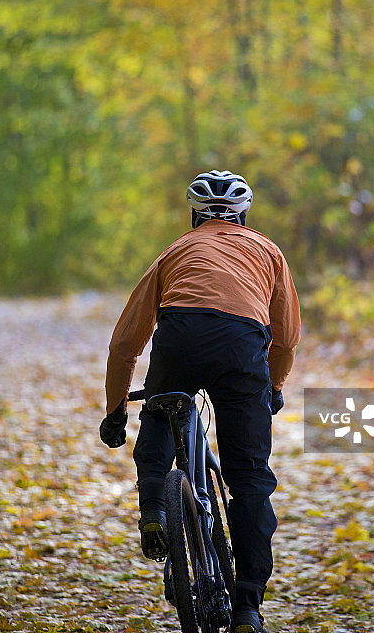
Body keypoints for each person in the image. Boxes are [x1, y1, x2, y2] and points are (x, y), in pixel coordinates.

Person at [99, 170, 301, 633]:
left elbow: (125, 343)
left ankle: (153, 505)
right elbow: (286, 339)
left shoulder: (175, 251)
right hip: (241, 350)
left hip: (180, 339)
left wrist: (115, 412)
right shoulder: (268, 251)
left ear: (195, 216)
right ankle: (248, 607)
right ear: (244, 216)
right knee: (249, 480)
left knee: (161, 405)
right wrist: (273, 387)